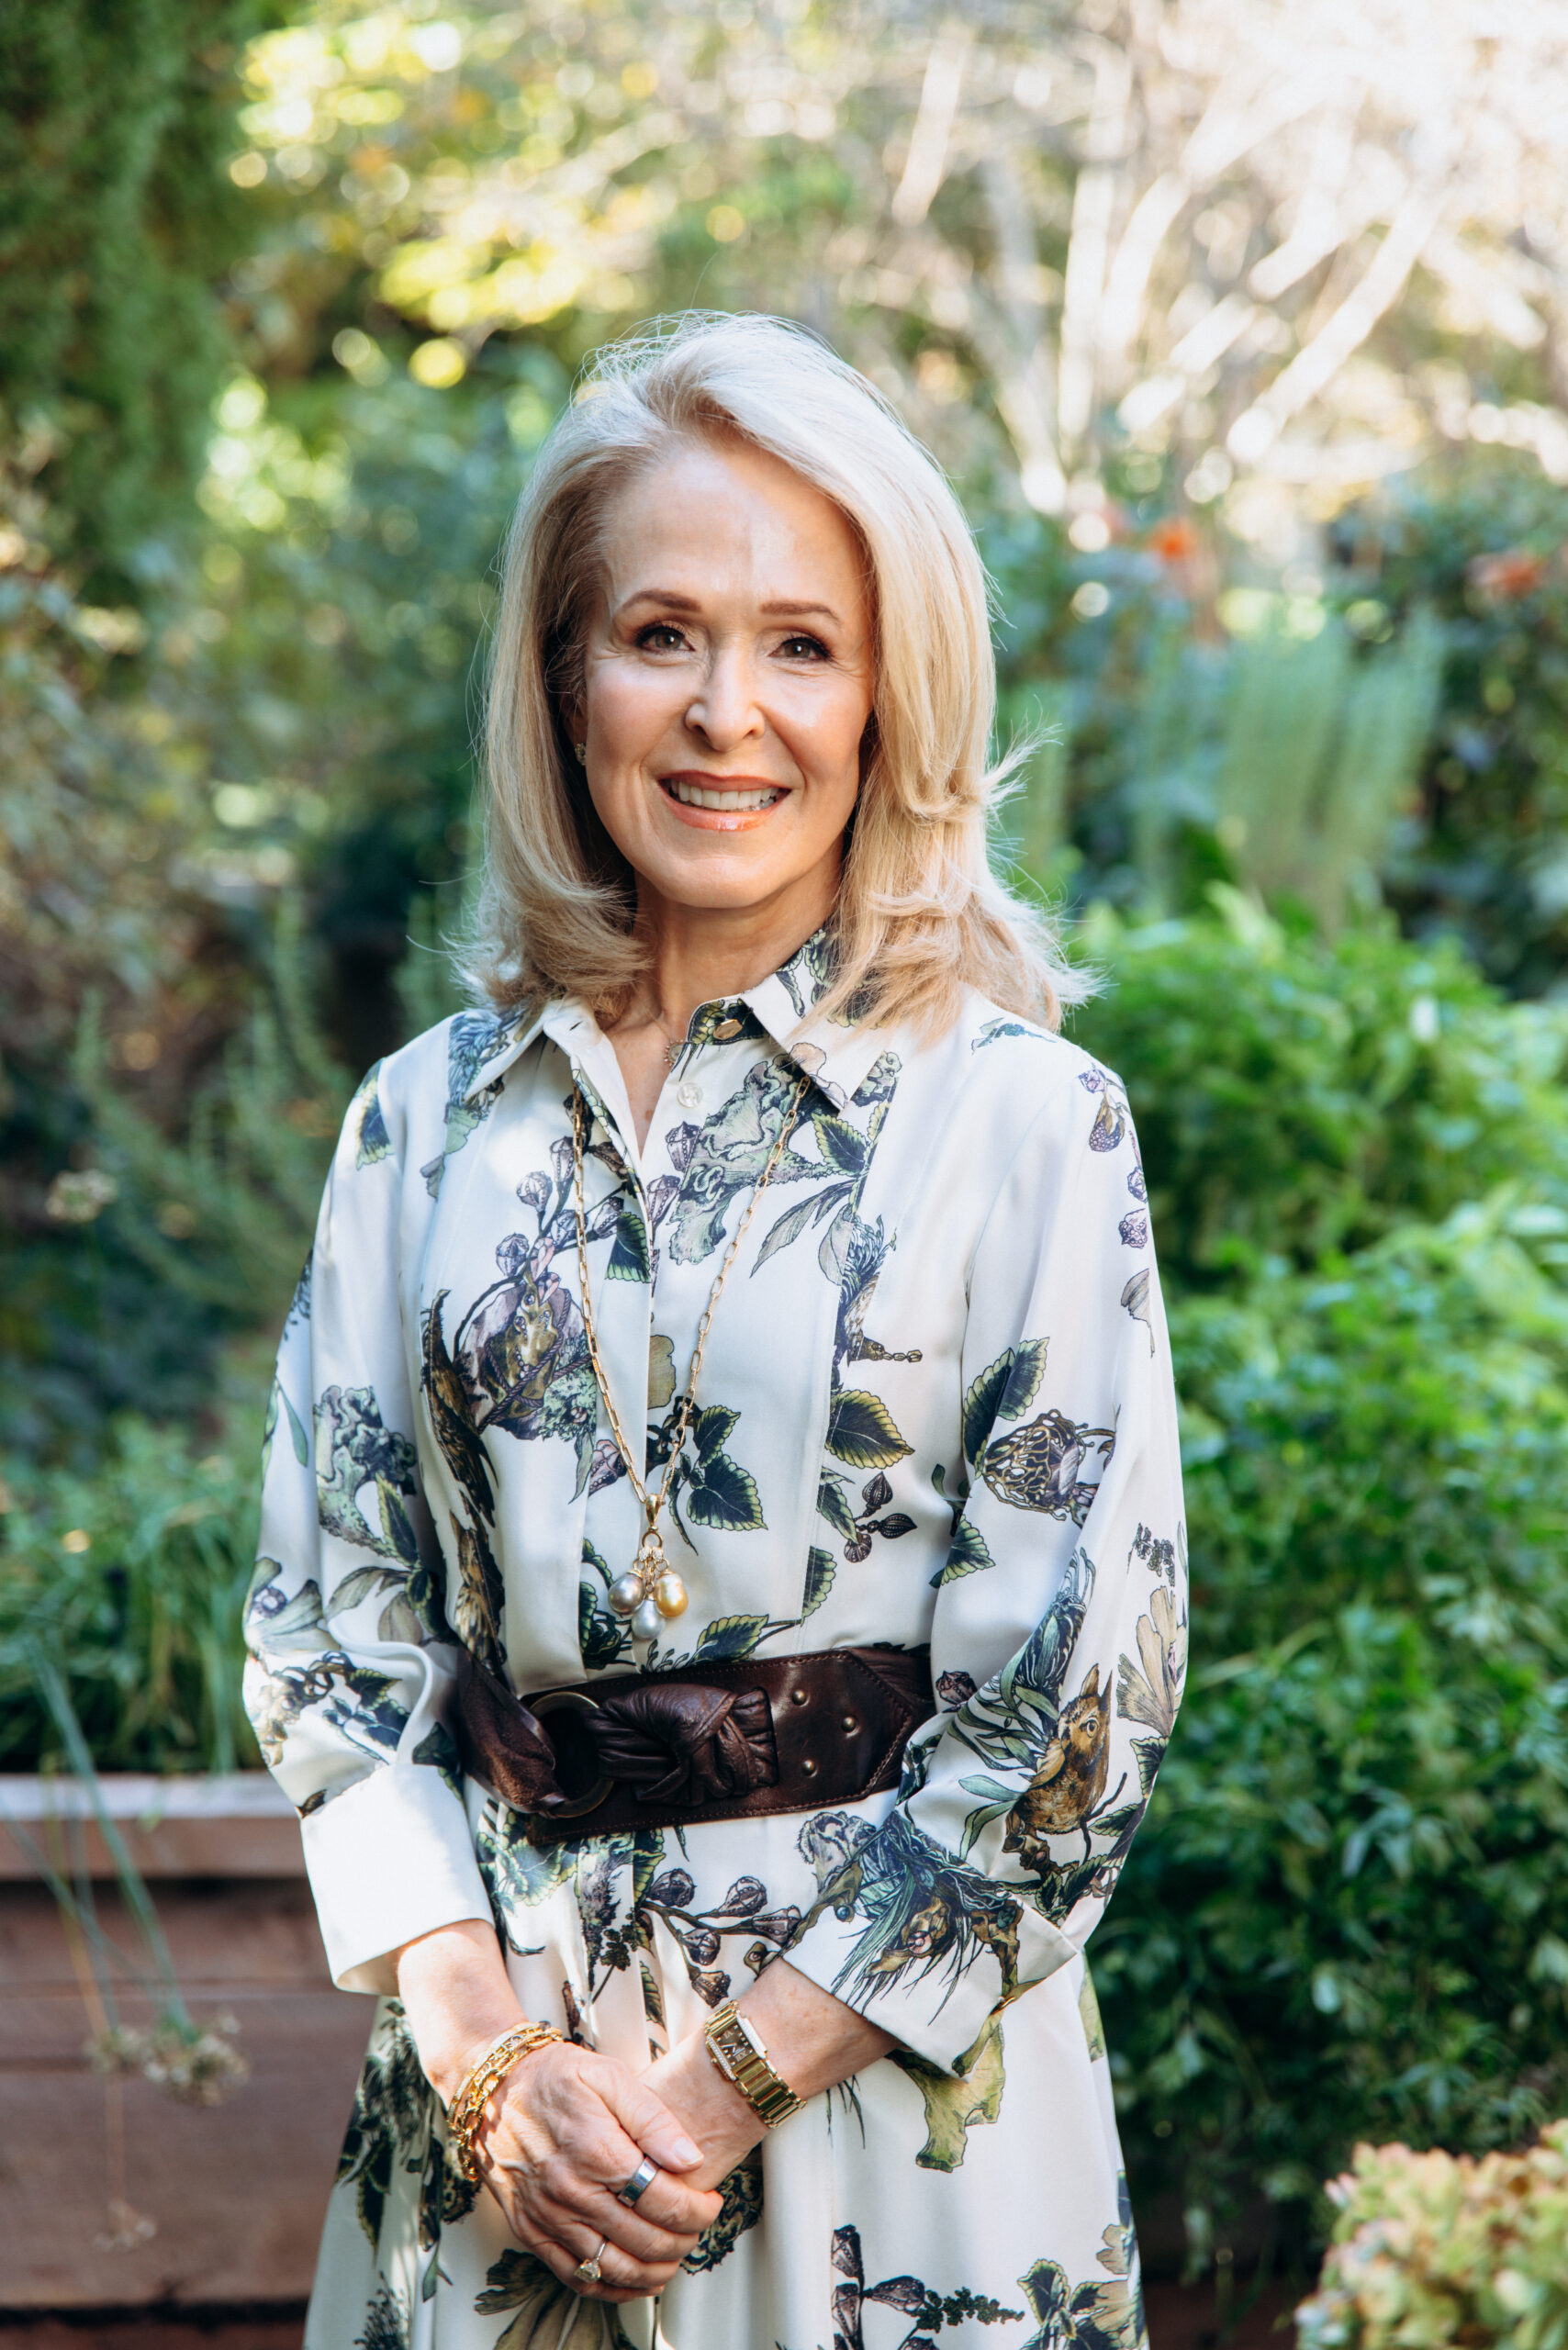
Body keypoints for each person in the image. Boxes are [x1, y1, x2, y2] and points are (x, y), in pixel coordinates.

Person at [245, 311, 1186, 2350]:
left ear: (888, 698)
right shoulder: (419, 1126)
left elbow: (1066, 1712)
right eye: (659, 633)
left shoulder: (1025, 1123)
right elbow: (329, 1638)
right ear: (563, 675)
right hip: (495, 2129)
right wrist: (487, 2057)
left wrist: (711, 2095)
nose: (724, 713)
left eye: (801, 645)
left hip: (891, 2134)